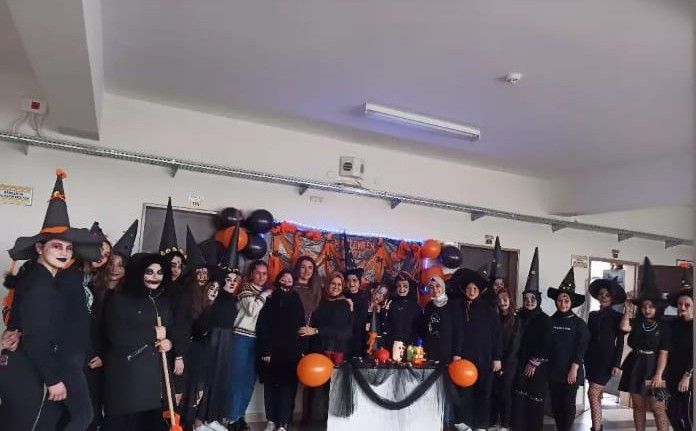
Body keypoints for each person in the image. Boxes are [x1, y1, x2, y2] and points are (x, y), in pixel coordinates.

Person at [0, 169, 101, 431]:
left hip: (51, 362)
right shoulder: (39, 284)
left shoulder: (46, 279)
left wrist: (13, 330)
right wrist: (53, 378)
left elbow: (25, 323)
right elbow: (36, 336)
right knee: (80, 417)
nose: (64, 252)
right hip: (48, 364)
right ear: (39, 248)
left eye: (68, 248)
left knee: (48, 420)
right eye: (57, 246)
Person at [618, 257, 670, 431]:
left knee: (658, 407)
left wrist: (659, 375)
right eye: (644, 306)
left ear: (657, 307)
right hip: (635, 365)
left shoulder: (664, 326)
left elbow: (664, 351)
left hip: (654, 366)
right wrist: (627, 309)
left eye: (651, 306)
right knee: (638, 407)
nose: (647, 309)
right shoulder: (637, 322)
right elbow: (624, 327)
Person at [451, 267, 502, 431]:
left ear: (479, 291)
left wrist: (497, 357)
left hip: (486, 358)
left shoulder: (490, 310)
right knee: (464, 392)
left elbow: (497, 336)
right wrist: (456, 354)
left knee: (484, 393)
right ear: (464, 290)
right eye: (469, 288)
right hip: (465, 358)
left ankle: (481, 425)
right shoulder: (458, 308)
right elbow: (456, 333)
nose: (471, 291)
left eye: (474, 288)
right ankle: (464, 423)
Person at [299, 272, 353, 423]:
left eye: (339, 285)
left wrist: (318, 331)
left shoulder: (344, 305)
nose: (336, 287)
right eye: (333, 283)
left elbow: (346, 333)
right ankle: (311, 424)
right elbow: (309, 328)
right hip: (317, 353)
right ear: (327, 284)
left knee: (332, 391)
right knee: (314, 391)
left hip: (337, 354)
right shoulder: (318, 302)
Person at [257, 269, 306, 431]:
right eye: (283, 279)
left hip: (291, 353)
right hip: (271, 351)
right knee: (270, 386)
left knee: (288, 388)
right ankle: (271, 420)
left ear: (293, 283)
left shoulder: (296, 299)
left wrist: (302, 349)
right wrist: (265, 350)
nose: (286, 283)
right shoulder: (270, 298)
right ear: (278, 280)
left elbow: (301, 326)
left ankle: (283, 423)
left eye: (289, 280)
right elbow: (262, 326)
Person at [227, 260, 271, 431]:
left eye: (264, 273)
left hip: (256, 341)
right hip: (240, 337)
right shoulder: (245, 289)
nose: (261, 276)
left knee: (249, 381)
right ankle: (231, 418)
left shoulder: (265, 294)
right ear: (251, 273)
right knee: (237, 380)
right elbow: (252, 310)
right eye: (258, 272)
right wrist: (265, 293)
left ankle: (240, 416)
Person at [511, 247, 552, 431]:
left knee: (534, 401)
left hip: (537, 366)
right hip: (519, 363)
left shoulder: (544, 320)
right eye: (526, 298)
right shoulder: (518, 316)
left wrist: (534, 362)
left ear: (538, 300)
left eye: (532, 299)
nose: (529, 301)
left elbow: (546, 344)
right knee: (519, 400)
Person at [546, 267, 590, 431]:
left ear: (571, 303)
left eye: (566, 301)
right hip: (553, 370)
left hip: (571, 371)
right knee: (555, 403)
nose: (563, 304)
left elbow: (581, 348)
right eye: (560, 300)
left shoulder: (579, 324)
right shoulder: (549, 321)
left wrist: (574, 368)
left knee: (568, 403)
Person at [585, 277, 626, 431]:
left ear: (612, 298)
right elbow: (588, 338)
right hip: (591, 359)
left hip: (607, 360)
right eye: (601, 294)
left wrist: (617, 364)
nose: (603, 297)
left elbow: (620, 342)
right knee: (597, 394)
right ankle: (597, 424)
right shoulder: (592, 315)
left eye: (607, 295)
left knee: (592, 393)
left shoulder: (617, 317)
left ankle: (596, 428)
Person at [490, 288, 520, 431]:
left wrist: (504, 366)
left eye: (505, 299)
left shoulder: (516, 320)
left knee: (505, 394)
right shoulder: (494, 318)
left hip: (509, 363)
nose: (502, 302)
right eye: (499, 300)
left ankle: (505, 425)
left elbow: (514, 345)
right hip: (494, 362)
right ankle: (493, 422)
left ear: (510, 300)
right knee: (494, 393)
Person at [665, 285, 692, 430]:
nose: (682, 307)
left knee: (687, 415)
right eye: (680, 304)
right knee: (671, 412)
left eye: (687, 305)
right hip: (672, 375)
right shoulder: (673, 325)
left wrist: (687, 375)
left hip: (689, 376)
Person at [420, 276, 461, 363]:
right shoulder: (429, 306)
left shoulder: (452, 306)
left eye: (438, 286)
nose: (435, 289)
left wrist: (457, 354)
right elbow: (424, 329)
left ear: (443, 287)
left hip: (447, 353)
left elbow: (458, 331)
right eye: (431, 287)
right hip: (430, 353)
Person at [381, 271, 422, 349]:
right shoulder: (390, 303)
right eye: (399, 286)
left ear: (409, 287)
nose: (402, 288)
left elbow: (418, 328)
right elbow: (384, 324)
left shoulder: (415, 306)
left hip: (410, 345)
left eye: (405, 286)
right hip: (392, 344)